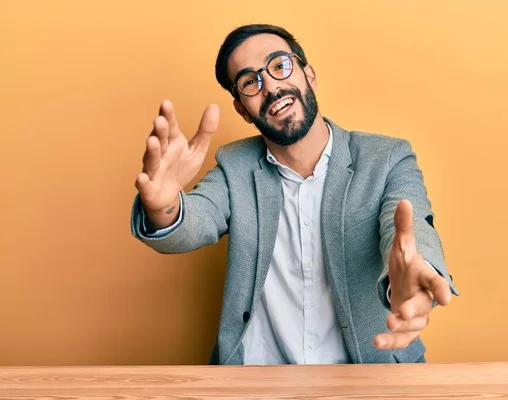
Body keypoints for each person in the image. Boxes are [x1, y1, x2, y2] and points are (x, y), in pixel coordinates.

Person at [130, 24, 459, 365]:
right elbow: (195, 222)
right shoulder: (235, 165)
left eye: (279, 65)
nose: (270, 86)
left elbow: (408, 224)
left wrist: (414, 272)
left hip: (368, 378)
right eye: (249, 82)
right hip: (255, 382)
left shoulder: (386, 157)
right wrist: (163, 204)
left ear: (309, 74)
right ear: (242, 109)